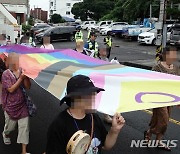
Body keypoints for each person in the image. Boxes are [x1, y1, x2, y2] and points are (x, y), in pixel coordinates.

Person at [46, 75, 125, 154]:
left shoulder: (94, 118)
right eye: (89, 94)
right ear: (74, 97)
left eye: (93, 93)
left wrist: (114, 130)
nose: (93, 97)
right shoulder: (59, 125)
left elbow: (106, 145)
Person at [144, 46, 179, 151]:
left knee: (162, 119)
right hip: (159, 98)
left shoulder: (176, 68)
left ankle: (158, 141)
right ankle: (150, 132)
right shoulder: (157, 68)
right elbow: (150, 82)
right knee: (164, 120)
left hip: (171, 98)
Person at [1, 52, 31, 154]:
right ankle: (6, 134)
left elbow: (28, 87)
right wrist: (21, 78)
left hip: (22, 105)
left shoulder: (22, 71)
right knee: (10, 127)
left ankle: (24, 151)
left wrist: (26, 77)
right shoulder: (6, 74)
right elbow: (10, 89)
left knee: (24, 127)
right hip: (10, 106)